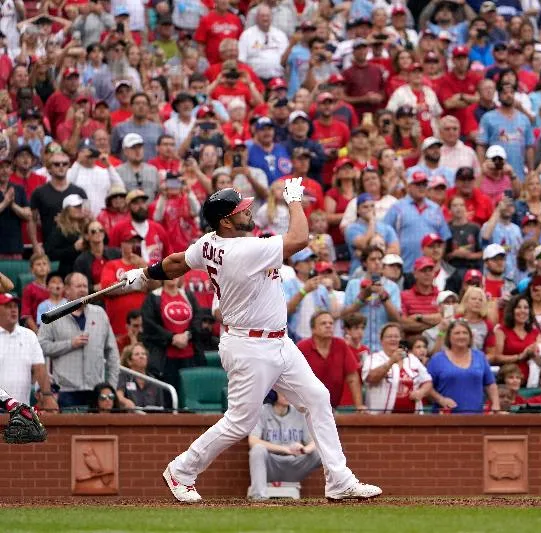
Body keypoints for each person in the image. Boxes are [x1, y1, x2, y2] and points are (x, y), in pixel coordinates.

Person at [122, 182, 381, 502]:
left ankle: (339, 480)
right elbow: (300, 238)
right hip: (250, 345)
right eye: (240, 210)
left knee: (317, 398)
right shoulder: (243, 250)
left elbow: (177, 262)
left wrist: (145, 274)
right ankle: (182, 470)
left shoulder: (209, 243)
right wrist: (294, 200)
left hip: (278, 341)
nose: (248, 211)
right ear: (225, 222)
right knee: (240, 422)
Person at [37, 272, 120, 409]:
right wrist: (70, 344)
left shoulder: (100, 314)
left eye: (85, 286)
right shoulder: (53, 315)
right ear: (67, 290)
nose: (83, 290)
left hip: (96, 390)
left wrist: (111, 386)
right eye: (78, 286)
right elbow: (40, 347)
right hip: (65, 391)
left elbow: (112, 354)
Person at [246, 391, 322, 502]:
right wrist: (286, 449)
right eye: (283, 391)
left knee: (322, 451)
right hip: (271, 465)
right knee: (258, 449)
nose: (288, 395)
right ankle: (258, 498)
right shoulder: (261, 411)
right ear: (273, 394)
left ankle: (336, 491)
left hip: (294, 466)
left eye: (289, 392)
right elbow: (253, 441)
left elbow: (314, 442)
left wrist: (303, 450)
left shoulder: (300, 412)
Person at [141, 277, 206, 388]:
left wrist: (187, 335)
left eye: (176, 274)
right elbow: (150, 325)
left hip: (190, 357)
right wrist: (172, 337)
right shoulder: (153, 297)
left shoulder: (188, 295)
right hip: (165, 360)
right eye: (169, 274)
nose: (173, 277)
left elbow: (198, 318)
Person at [0, 292, 58, 412]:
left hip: (21, 410)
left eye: (15, 306)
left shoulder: (29, 335)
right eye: (8, 306)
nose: (13, 310)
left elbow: (39, 367)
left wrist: (47, 395)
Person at [296, 311, 365, 411]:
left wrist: (359, 406)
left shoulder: (341, 345)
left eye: (331, 323)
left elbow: (352, 377)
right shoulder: (302, 347)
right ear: (313, 329)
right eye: (323, 323)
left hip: (332, 407)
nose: (328, 326)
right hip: (304, 407)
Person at [427, 321, 500, 414]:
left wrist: (496, 403)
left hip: (475, 416)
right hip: (446, 416)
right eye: (457, 333)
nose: (461, 336)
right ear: (449, 337)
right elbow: (426, 386)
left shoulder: (480, 356)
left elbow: (490, 384)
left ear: (470, 336)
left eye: (465, 333)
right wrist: (441, 399)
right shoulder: (437, 359)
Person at [362, 323, 433, 414]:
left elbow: (427, 381)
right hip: (381, 417)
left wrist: (421, 392)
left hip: (413, 417)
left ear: (401, 340)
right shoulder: (373, 358)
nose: (393, 339)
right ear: (381, 340)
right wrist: (391, 361)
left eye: (396, 336)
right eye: (389, 336)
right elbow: (370, 378)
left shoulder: (412, 359)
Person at [341, 246, 401, 353]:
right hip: (358, 345)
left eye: (380, 259)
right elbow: (345, 316)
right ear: (365, 263)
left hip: (383, 348)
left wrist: (384, 296)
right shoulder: (353, 284)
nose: (377, 262)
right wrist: (362, 297)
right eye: (373, 259)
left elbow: (396, 318)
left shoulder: (392, 287)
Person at [117, 343, 166, 410]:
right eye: (137, 354)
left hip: (150, 415)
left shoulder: (154, 381)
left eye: (143, 354)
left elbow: (160, 407)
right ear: (129, 361)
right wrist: (125, 401)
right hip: (129, 414)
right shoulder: (123, 376)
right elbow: (118, 396)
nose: (141, 356)